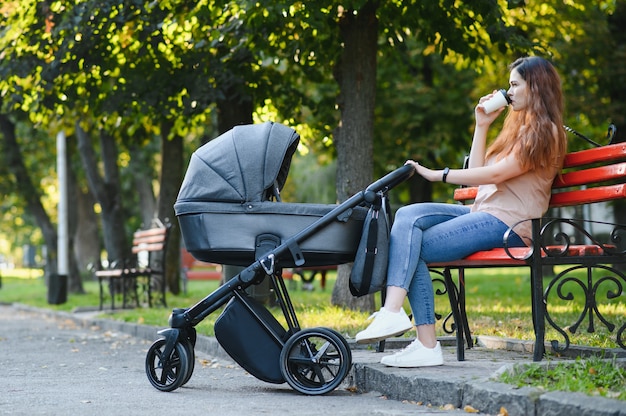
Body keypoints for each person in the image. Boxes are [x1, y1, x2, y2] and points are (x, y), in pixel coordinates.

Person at [355, 56, 568, 368]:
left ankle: (423, 341)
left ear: (534, 87)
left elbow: (494, 176)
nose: (508, 91)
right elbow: (479, 170)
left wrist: (437, 174)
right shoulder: (518, 130)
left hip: (508, 223)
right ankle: (393, 314)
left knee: (413, 247)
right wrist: (481, 124)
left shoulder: (545, 131)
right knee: (407, 215)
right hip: (482, 212)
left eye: (514, 84)